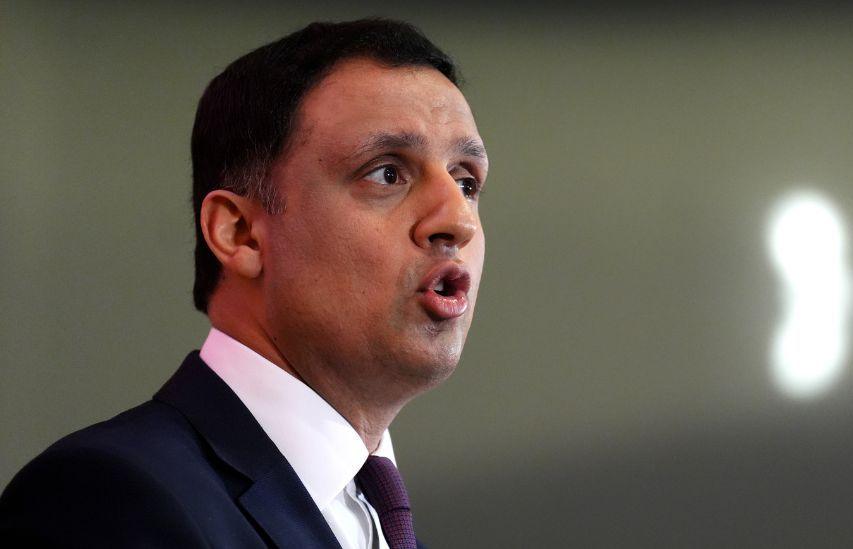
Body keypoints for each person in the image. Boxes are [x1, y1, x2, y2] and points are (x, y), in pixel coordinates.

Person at [0, 18, 488, 549]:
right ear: (240, 233)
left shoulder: (371, 515)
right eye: (387, 173)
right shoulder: (106, 498)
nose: (457, 221)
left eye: (466, 181)